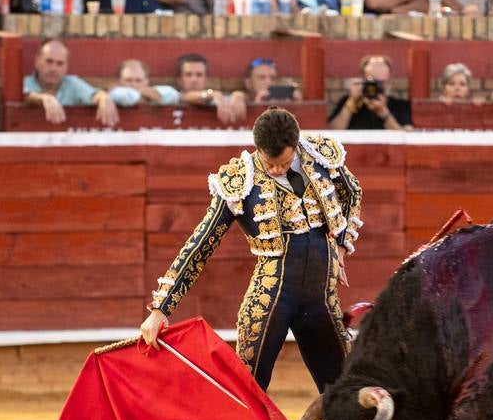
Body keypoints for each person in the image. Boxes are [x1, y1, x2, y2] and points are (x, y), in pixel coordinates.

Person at [138, 107, 361, 392]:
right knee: (247, 393)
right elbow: (201, 243)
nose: (277, 170)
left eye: (283, 162)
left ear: (296, 145)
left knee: (345, 392)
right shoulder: (239, 180)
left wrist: (341, 245)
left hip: (321, 298)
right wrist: (161, 308)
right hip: (271, 301)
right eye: (270, 164)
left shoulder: (320, 156)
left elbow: (352, 192)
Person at [21, 37, 120, 127]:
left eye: (60, 63)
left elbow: (93, 95)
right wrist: (42, 98)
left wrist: (104, 97)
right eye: (49, 61)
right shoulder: (25, 83)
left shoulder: (71, 83)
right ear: (37, 62)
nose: (53, 69)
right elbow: (25, 96)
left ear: (66, 67)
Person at [328, 53, 411, 129]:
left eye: (381, 82)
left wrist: (383, 113)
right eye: (373, 82)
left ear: (389, 82)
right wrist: (350, 105)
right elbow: (332, 134)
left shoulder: (401, 107)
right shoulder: (348, 103)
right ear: (363, 80)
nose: (377, 86)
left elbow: (407, 139)